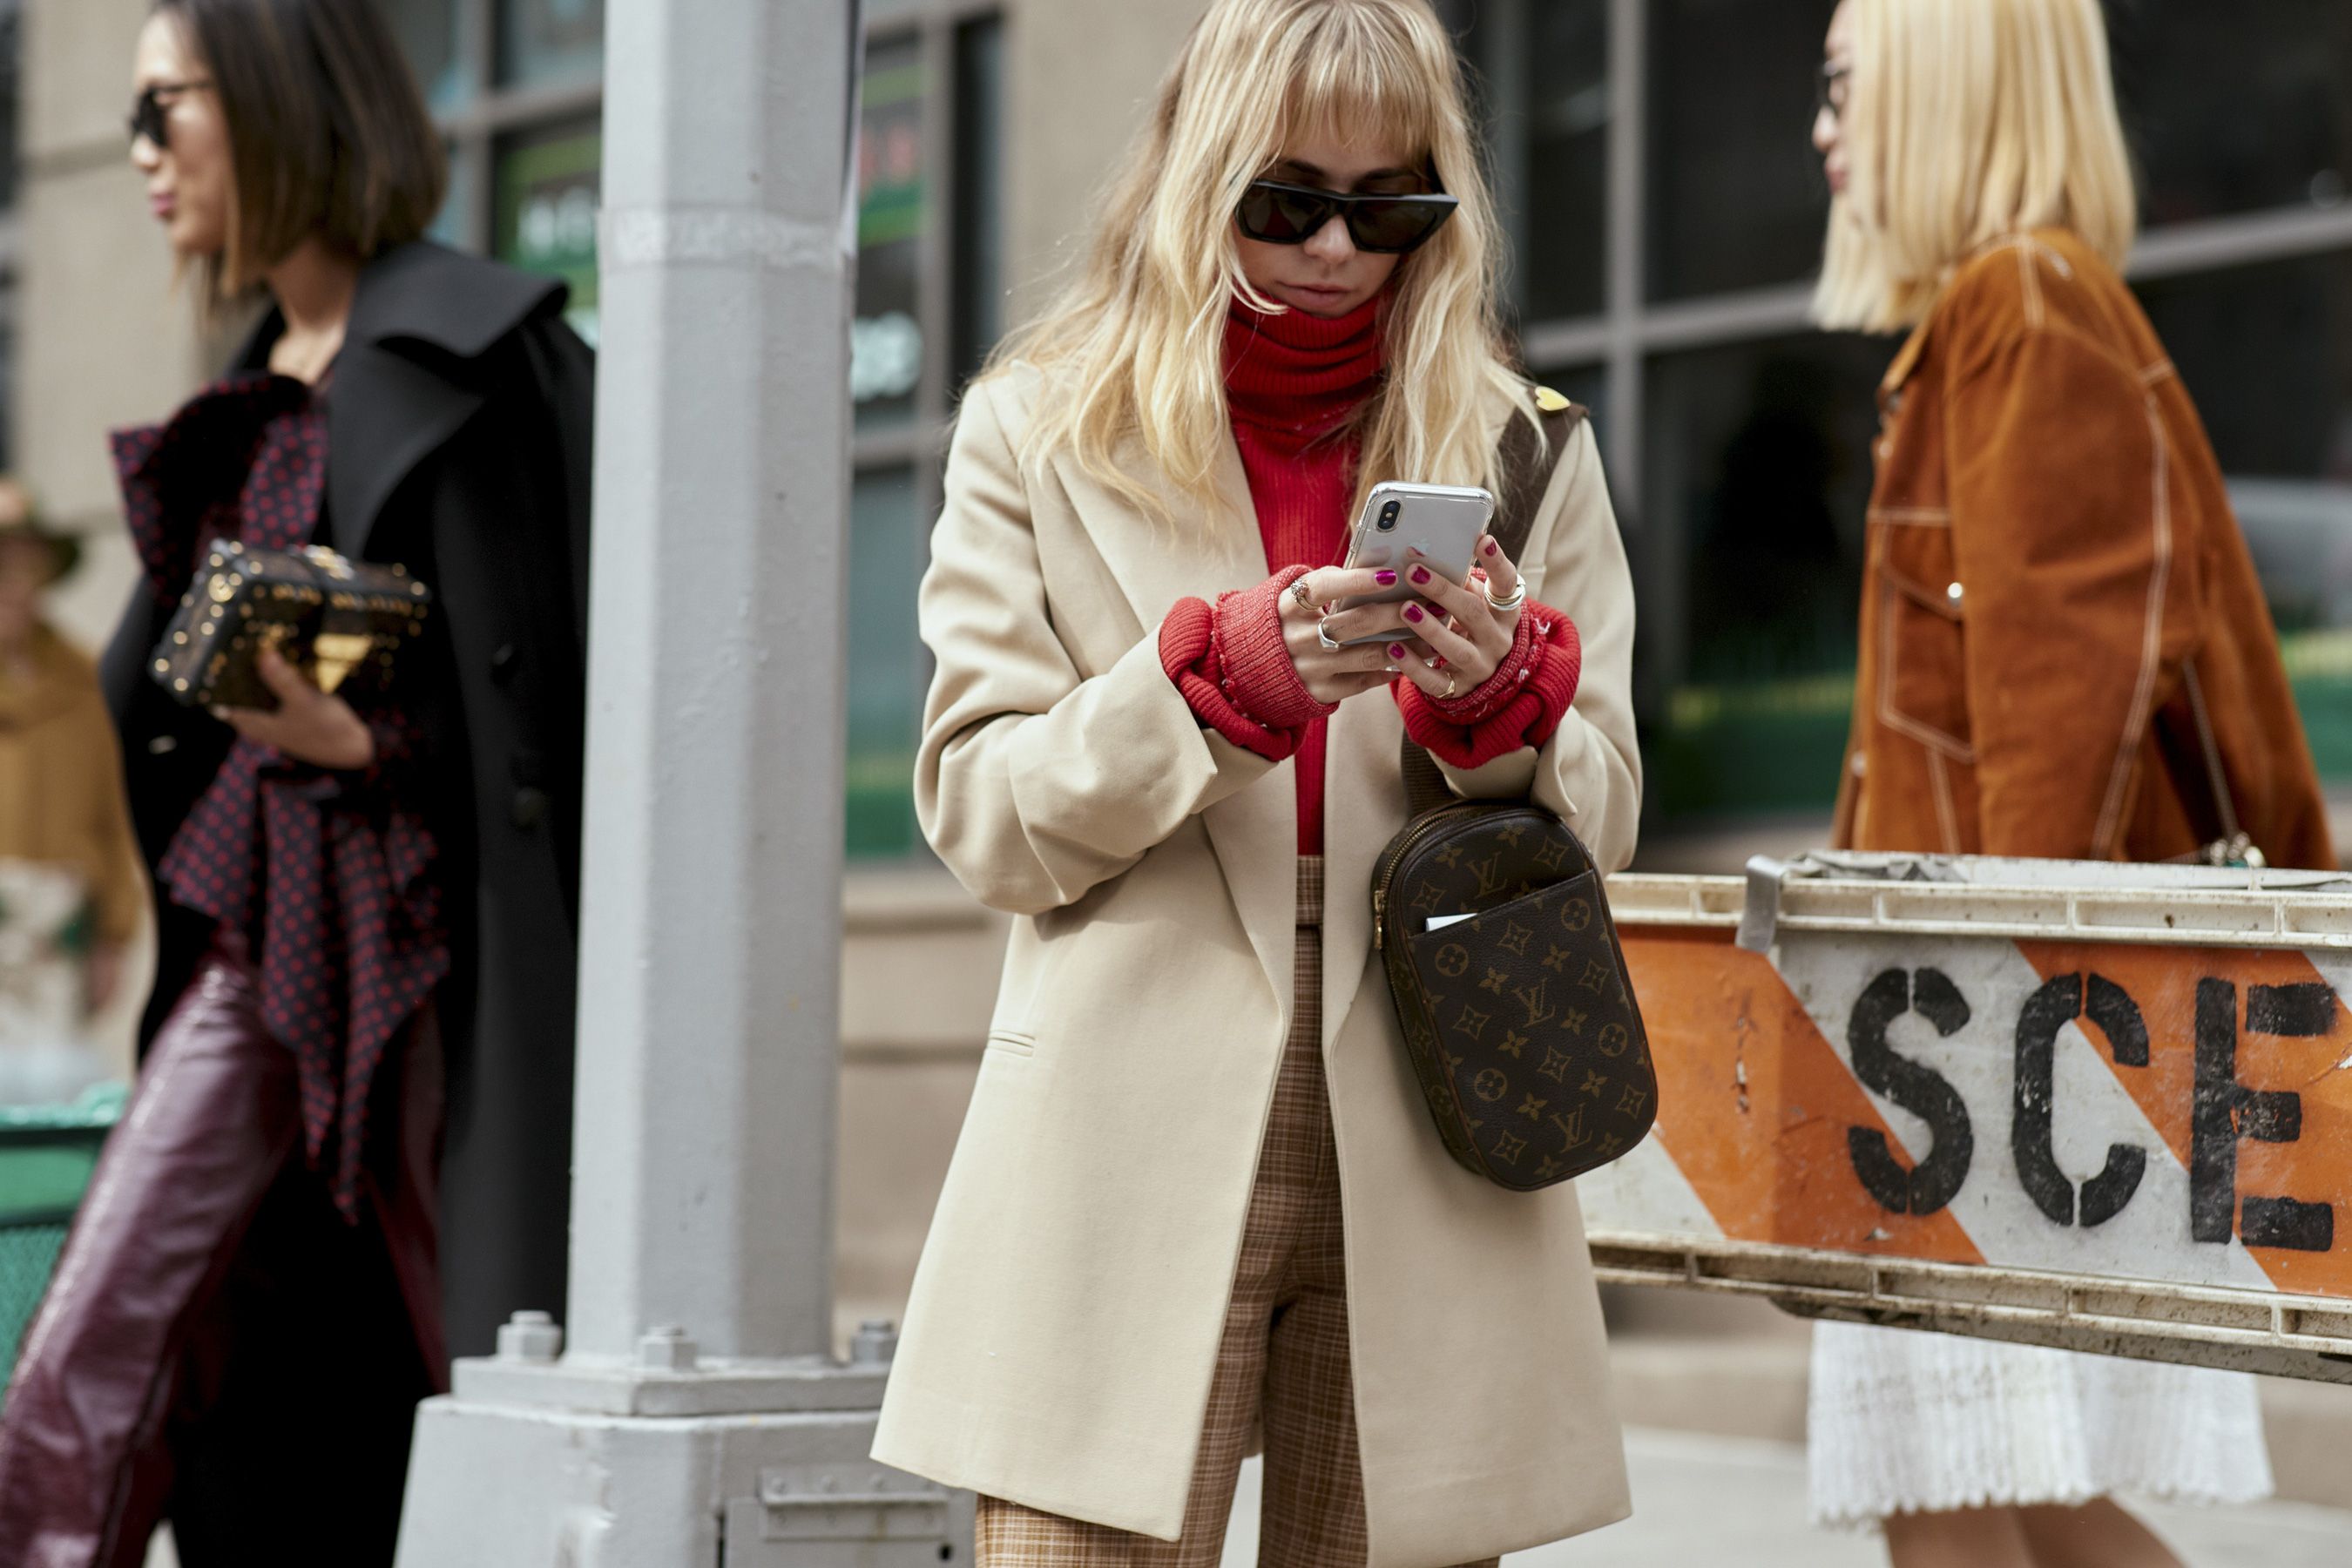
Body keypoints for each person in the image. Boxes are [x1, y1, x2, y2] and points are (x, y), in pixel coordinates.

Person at [869, 1, 1641, 1562]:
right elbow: (981, 813)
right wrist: (1215, 681)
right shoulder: (1038, 426)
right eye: (1287, 200)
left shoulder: (1525, 451)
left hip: (1432, 1122)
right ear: (1194, 171)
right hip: (1120, 1132)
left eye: (1392, 206)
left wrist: (1490, 701)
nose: (1339, 250)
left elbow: (1607, 818)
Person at [0, 0, 592, 1562]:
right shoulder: (267, 368)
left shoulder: (478, 355)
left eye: (164, 108)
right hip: (265, 948)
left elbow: (559, 702)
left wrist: (374, 743)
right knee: (110, 1382)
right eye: (125, 115)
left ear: (277, 98)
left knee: (482, 1398)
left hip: (428, 970)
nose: (141, 153)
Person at [1806, 0, 2319, 1562]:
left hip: (1980, 1042)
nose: (1821, 132)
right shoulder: (1995, 319)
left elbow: (2059, 726)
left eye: (1845, 89)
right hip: (1965, 1033)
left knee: (1954, 1501)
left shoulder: (2025, 309)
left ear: (1946, 90)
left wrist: (1995, 1047)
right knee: (1997, 1499)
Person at [0, 481, 144, 1098]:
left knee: (49, 1103)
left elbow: (114, 814)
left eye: (24, 566)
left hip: (57, 933)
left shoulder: (85, 678)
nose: (11, 585)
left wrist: (114, 932)